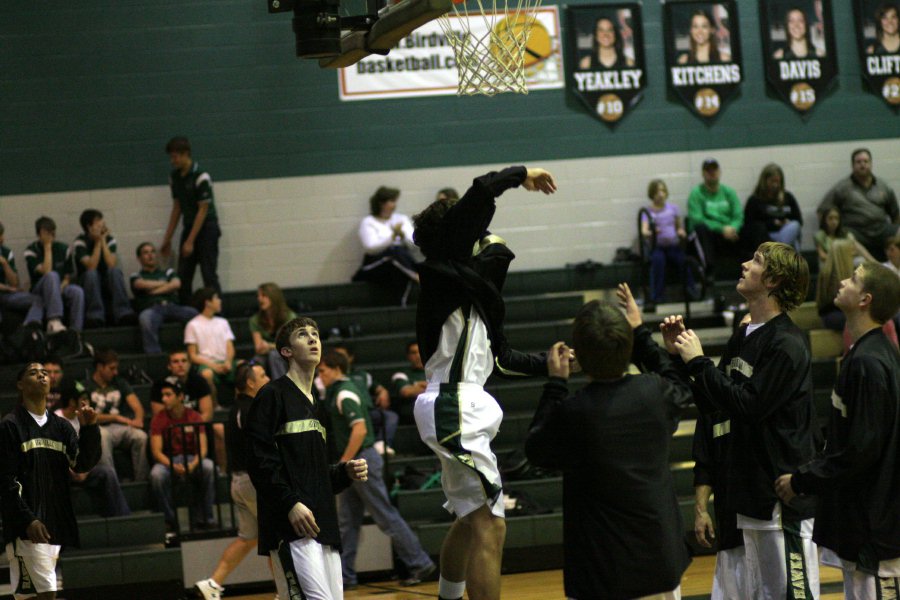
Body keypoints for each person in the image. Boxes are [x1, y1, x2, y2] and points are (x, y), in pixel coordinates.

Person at [412, 166, 556, 600]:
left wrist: (553, 365)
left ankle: (449, 597)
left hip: (460, 403)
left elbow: (505, 359)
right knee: (491, 527)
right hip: (453, 405)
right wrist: (522, 174)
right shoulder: (441, 272)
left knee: (470, 514)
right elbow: (479, 193)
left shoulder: (472, 294)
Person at [668, 242, 820, 599]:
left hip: (780, 500)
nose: (744, 264)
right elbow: (715, 404)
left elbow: (749, 404)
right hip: (749, 498)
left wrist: (699, 362)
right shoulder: (745, 336)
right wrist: (679, 358)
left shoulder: (787, 343)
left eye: (755, 261)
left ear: (773, 281)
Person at [525, 295, 692, 600]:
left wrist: (556, 383)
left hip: (600, 570)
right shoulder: (654, 393)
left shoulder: (573, 412)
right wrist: (640, 331)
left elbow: (536, 449)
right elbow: (679, 383)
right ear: (627, 348)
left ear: (581, 356)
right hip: (658, 559)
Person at [775, 262, 900, 600]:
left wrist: (802, 480)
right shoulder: (862, 353)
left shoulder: (870, 363)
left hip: (875, 528)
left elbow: (862, 451)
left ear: (865, 300)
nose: (843, 281)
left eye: (854, 279)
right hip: (860, 521)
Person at [245, 317, 368, 600]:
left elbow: (318, 473)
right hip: (291, 527)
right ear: (286, 351)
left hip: (323, 525)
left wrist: (344, 472)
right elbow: (258, 461)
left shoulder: (318, 405)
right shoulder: (272, 395)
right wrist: (289, 503)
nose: (313, 339)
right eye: (303, 335)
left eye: (316, 334)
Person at [318, 350, 435, 590]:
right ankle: (344, 576)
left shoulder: (345, 393)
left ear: (336, 369)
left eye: (323, 371)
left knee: (384, 516)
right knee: (347, 522)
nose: (320, 376)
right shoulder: (343, 389)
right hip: (358, 462)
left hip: (360, 462)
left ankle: (420, 562)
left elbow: (359, 430)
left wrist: (343, 465)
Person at [1, 363, 100, 600]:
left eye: (44, 372)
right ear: (20, 385)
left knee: (31, 597)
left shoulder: (61, 427)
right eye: (33, 373)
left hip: (54, 523)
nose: (41, 375)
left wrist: (89, 430)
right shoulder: (10, 425)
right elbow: (5, 480)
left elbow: (82, 463)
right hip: (27, 527)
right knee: (47, 594)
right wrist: (28, 519)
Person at [195, 361, 272, 600]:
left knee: (248, 539)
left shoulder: (236, 409)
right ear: (250, 383)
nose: (268, 378)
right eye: (262, 375)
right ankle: (285, 592)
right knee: (277, 539)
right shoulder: (252, 410)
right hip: (253, 482)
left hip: (239, 483)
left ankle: (212, 584)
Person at [54, 377, 131, 518]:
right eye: (83, 400)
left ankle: (122, 517)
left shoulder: (85, 419)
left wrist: (86, 469)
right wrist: (72, 470)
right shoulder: (55, 420)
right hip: (63, 470)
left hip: (83, 469)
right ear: (72, 402)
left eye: (88, 400)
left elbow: (90, 449)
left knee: (107, 473)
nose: (87, 404)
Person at [149, 379, 217, 531]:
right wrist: (172, 465)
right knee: (156, 475)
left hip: (192, 458)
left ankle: (206, 516)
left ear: (180, 397)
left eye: (168, 395)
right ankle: (170, 519)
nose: (163, 399)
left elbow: (203, 448)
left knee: (209, 467)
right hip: (168, 460)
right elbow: (156, 451)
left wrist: (193, 464)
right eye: (163, 395)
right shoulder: (158, 419)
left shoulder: (195, 417)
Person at [162, 136, 222, 304]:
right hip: (189, 226)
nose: (172, 161)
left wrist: (190, 241)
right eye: (171, 157)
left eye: (175, 157)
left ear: (186, 154)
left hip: (207, 227)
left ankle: (219, 315)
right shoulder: (174, 177)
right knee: (183, 273)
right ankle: (187, 312)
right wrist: (167, 239)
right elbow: (177, 208)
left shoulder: (201, 176)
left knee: (208, 273)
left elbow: (202, 211)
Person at [818, 148, 899, 262]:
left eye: (866, 161)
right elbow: (822, 211)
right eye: (859, 162)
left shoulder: (884, 187)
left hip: (881, 230)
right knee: (848, 239)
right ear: (853, 165)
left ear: (871, 164)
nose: (863, 165)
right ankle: (877, 266)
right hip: (856, 232)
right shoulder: (842, 188)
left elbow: (895, 214)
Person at [84, 348, 149, 481]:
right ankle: (110, 481)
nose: (116, 372)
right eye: (111, 368)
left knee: (141, 436)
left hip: (120, 427)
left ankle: (140, 481)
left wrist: (138, 419)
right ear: (100, 367)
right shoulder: (86, 385)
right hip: (98, 427)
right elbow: (87, 416)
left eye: (116, 368)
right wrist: (116, 417)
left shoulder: (120, 383)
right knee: (102, 436)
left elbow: (137, 406)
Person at [352, 185, 419, 306]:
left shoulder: (401, 219)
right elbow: (370, 248)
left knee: (397, 257)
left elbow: (414, 244)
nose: (394, 205)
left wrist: (402, 235)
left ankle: (401, 302)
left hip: (400, 261)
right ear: (381, 203)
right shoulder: (368, 222)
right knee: (393, 253)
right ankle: (416, 275)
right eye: (392, 201)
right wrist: (392, 238)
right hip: (375, 262)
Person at [328, 343, 397, 456]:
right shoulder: (330, 377)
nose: (338, 359)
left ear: (350, 358)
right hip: (345, 415)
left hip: (367, 412)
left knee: (391, 416)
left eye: (341, 355)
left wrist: (383, 392)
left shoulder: (362, 375)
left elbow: (379, 388)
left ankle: (381, 443)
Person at [131, 242, 198, 354]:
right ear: (139, 258)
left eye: (153, 251)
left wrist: (152, 291)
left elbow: (176, 284)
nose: (150, 255)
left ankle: (196, 351)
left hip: (172, 306)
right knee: (145, 319)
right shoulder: (136, 275)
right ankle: (154, 356)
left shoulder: (168, 271)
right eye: (146, 253)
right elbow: (140, 284)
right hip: (152, 309)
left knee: (194, 313)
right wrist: (165, 284)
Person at [72, 209, 136, 327]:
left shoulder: (110, 239)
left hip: (106, 279)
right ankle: (95, 315)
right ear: (89, 226)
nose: (102, 223)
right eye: (98, 221)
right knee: (92, 274)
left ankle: (123, 313)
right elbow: (91, 266)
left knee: (115, 271)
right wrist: (97, 243)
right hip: (87, 282)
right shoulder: (80, 241)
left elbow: (111, 263)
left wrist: (102, 240)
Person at [23, 216, 85, 332]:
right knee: (52, 275)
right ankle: (54, 319)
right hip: (39, 288)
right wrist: (47, 247)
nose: (49, 234)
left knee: (77, 292)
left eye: (51, 231)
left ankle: (76, 331)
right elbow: (46, 271)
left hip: (60, 287)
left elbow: (67, 276)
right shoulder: (31, 251)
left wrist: (59, 288)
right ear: (39, 234)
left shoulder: (64, 249)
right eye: (45, 232)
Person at [640, 178, 692, 311]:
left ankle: (691, 291)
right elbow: (644, 230)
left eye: (663, 190)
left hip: (673, 246)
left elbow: (679, 227)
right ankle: (657, 296)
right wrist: (651, 232)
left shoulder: (673, 209)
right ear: (652, 194)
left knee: (683, 261)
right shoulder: (648, 212)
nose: (660, 194)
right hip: (657, 247)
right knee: (658, 262)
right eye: (657, 191)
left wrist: (681, 232)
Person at [687, 158, 743, 280]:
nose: (712, 172)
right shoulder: (696, 194)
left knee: (752, 227)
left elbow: (738, 215)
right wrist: (722, 229)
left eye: (714, 169)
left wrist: (733, 228)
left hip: (729, 233)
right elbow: (697, 219)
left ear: (719, 171)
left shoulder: (729, 192)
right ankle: (709, 273)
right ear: (703, 173)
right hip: (709, 234)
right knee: (700, 229)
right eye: (708, 170)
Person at [185, 287, 236, 402]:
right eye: (216, 298)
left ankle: (241, 403)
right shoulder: (193, 325)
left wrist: (228, 362)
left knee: (246, 368)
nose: (219, 301)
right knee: (206, 374)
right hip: (207, 364)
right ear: (207, 302)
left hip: (225, 363)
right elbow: (192, 355)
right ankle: (214, 406)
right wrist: (213, 366)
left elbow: (230, 347)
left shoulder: (223, 322)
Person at [743, 163, 803, 252]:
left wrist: (786, 222)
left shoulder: (788, 197)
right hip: (768, 236)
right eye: (772, 181)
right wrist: (773, 223)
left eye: (778, 181)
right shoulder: (755, 200)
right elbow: (750, 225)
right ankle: (781, 253)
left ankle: (779, 251)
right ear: (764, 181)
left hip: (786, 231)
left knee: (794, 226)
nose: (775, 185)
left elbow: (799, 220)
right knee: (793, 245)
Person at [151, 349, 215, 420]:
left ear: (189, 364)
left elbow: (207, 414)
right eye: (175, 362)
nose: (180, 365)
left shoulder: (199, 381)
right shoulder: (160, 384)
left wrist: (192, 427)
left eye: (184, 361)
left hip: (196, 425)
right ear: (169, 366)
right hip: (171, 426)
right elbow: (159, 416)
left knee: (219, 428)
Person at [250, 282, 296, 380]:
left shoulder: (289, 317)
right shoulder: (255, 319)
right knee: (256, 361)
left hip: (288, 353)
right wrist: (265, 347)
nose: (260, 299)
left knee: (274, 355)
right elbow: (258, 347)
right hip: (266, 354)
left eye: (263, 295)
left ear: (273, 297)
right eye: (258, 296)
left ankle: (282, 389)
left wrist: (269, 346)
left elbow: (291, 344)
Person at [0, 221, 41, 331]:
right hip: (6, 291)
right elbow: (10, 286)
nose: (2, 238)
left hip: (5, 296)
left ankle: (28, 331)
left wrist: (5, 264)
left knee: (38, 300)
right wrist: (8, 288)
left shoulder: (5, 252)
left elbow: (15, 282)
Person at [391, 340, 427, 424]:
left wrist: (417, 385)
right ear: (408, 356)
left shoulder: (435, 372)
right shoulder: (401, 374)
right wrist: (432, 387)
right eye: (414, 353)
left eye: (420, 352)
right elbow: (406, 392)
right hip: (410, 412)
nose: (418, 356)